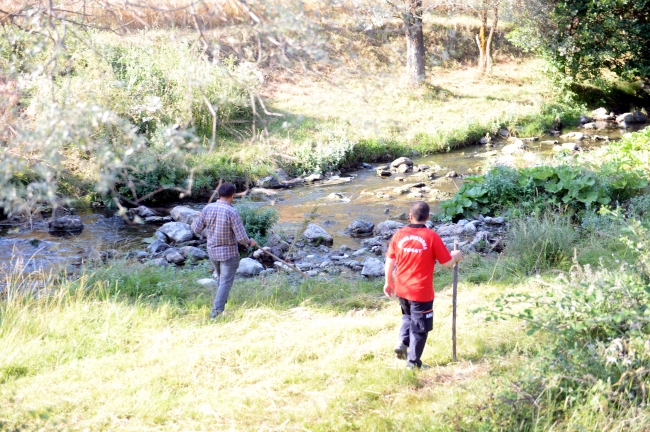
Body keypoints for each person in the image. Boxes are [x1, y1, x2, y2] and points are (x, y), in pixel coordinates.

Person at [383, 201, 463, 369]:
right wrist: (455, 256)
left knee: (407, 317)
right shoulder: (431, 236)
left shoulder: (399, 234)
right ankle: (413, 364)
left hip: (402, 288)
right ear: (428, 217)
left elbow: (390, 260)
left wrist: (388, 282)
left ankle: (402, 342)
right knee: (420, 328)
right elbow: (446, 263)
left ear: (410, 216)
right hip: (421, 292)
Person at [191, 182, 257, 318]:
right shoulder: (232, 212)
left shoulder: (208, 208)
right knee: (225, 282)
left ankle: (221, 302)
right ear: (232, 196)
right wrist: (250, 243)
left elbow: (196, 229)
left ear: (219, 195)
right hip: (229, 254)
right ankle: (216, 312)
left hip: (212, 252)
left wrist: (200, 218)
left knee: (222, 280)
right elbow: (241, 238)